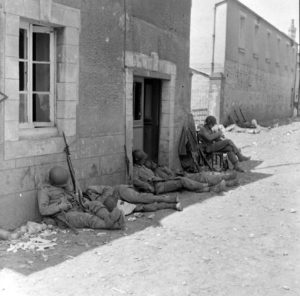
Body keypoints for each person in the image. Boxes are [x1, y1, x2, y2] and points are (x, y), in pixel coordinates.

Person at [38, 166, 125, 230]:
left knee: (96, 204)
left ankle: (108, 218)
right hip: (64, 216)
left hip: (77, 207)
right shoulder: (45, 190)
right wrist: (60, 206)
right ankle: (111, 224)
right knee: (85, 218)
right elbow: (43, 210)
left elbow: (74, 195)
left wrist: (81, 200)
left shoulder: (65, 186)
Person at [132, 149, 227, 194]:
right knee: (182, 180)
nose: (144, 161)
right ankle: (208, 186)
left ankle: (209, 186)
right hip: (158, 187)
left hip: (161, 182)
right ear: (137, 159)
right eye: (143, 159)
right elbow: (135, 181)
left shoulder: (144, 167)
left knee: (183, 179)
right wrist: (147, 186)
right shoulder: (135, 170)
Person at [87, 185, 183, 212]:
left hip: (120, 191)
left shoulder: (90, 189)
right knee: (143, 208)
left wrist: (101, 200)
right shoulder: (87, 203)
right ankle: (173, 205)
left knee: (143, 198)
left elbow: (108, 189)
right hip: (116, 202)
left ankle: (171, 199)